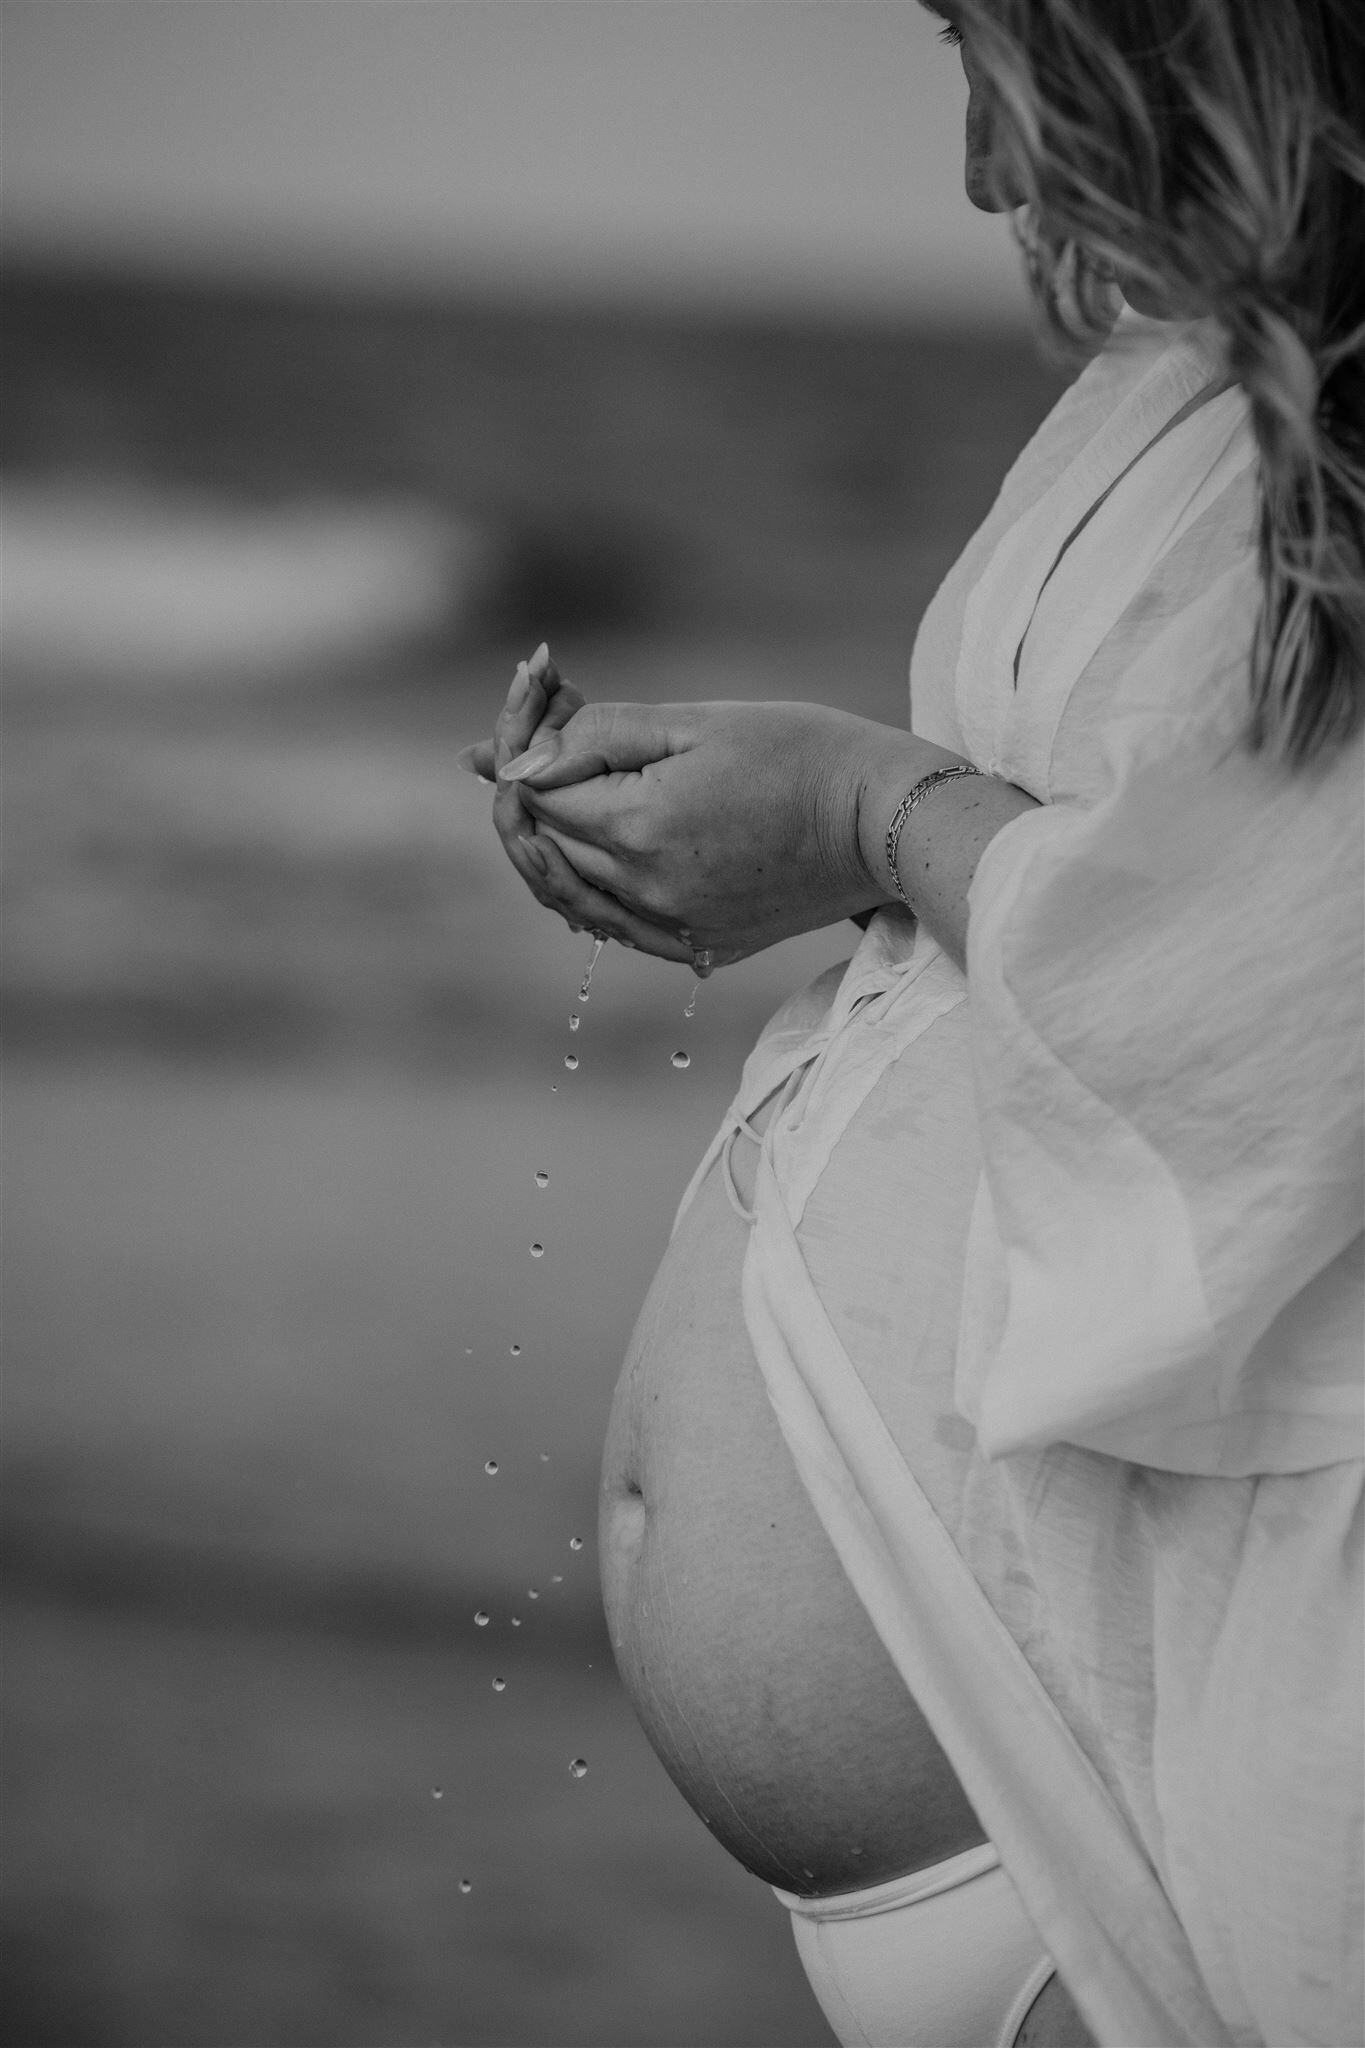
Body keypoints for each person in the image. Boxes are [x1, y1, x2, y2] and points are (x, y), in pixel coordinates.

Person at [461, 3, 1364, 2042]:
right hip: (1007, 1792)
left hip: (1134, 1829)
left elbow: (1278, 1006)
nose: (977, 164)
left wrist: (862, 807)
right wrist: (820, 835)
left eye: (996, 51)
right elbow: (1132, 866)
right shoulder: (1197, 374)